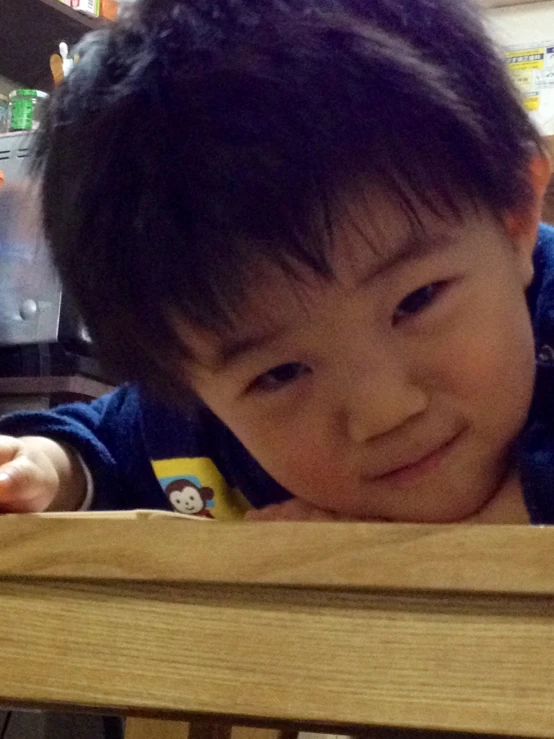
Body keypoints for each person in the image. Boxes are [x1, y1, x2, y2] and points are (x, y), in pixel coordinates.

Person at [0, 0, 552, 524]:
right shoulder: (197, 423)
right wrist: (49, 469)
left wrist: (495, 521)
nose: (384, 410)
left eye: (417, 300)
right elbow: (107, 443)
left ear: (516, 218)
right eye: (281, 374)